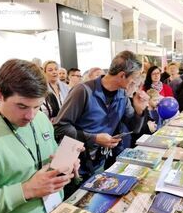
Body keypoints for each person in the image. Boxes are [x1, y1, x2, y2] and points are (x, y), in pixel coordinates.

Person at [0, 59, 79, 213]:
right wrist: (27, 190)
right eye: (21, 106)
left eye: (37, 106)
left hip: (57, 211)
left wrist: (64, 164)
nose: (30, 116)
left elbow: (49, 152)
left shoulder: (41, 119)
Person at [54, 50, 149, 182]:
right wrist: (94, 138)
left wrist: (139, 111)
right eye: (134, 78)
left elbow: (134, 128)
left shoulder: (122, 95)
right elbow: (60, 127)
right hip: (72, 163)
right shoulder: (83, 91)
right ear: (122, 75)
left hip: (98, 162)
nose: (135, 82)